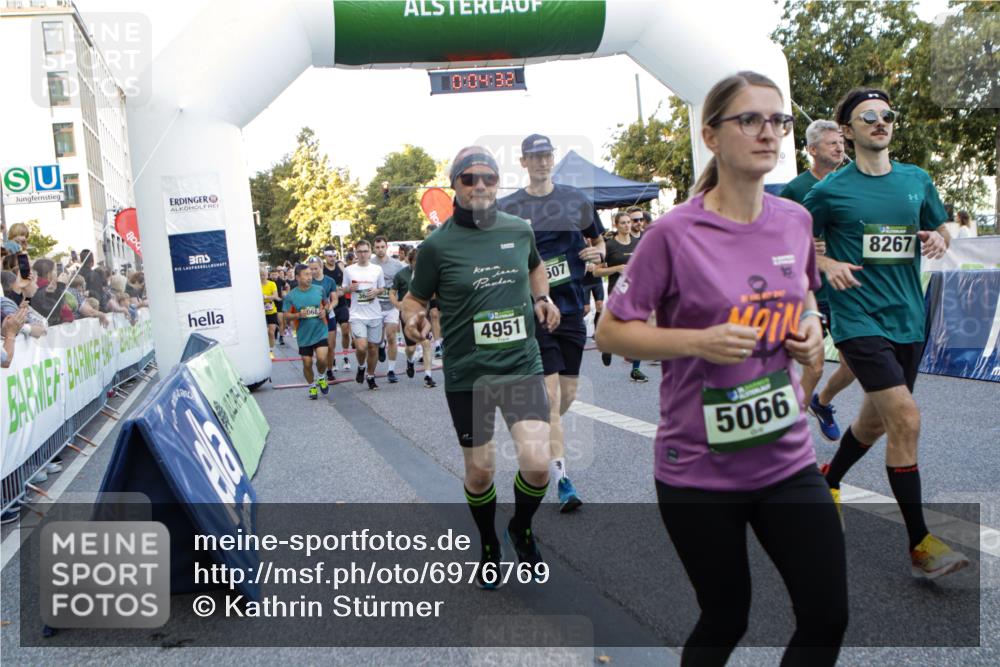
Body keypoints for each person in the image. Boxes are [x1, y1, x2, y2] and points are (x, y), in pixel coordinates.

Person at [598, 71, 848, 665]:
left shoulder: (794, 219)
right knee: (726, 618)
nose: (769, 133)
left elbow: (806, 299)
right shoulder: (673, 234)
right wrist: (699, 341)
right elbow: (611, 329)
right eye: (751, 120)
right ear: (711, 135)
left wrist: (813, 329)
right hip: (699, 472)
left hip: (786, 457)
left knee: (827, 616)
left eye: (778, 121)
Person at [804, 86, 969, 579]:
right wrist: (827, 261)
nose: (880, 122)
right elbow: (793, 244)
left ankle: (828, 476)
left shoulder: (916, 180)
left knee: (876, 424)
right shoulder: (831, 190)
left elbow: (946, 226)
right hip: (858, 318)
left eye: (887, 115)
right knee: (907, 419)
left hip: (908, 318)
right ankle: (920, 543)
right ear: (847, 132)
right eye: (867, 116)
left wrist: (941, 236)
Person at [401, 145, 560, 587]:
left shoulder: (519, 229)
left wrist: (542, 298)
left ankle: (521, 528)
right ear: (454, 185)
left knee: (537, 463)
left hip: (521, 364)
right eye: (469, 178)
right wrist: (411, 317)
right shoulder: (437, 245)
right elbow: (415, 298)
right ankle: (489, 542)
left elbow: (536, 268)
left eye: (488, 177)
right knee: (480, 471)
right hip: (469, 376)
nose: (480, 185)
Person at [498, 133, 605, 513]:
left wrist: (598, 251)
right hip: (536, 311)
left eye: (546, 156)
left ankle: (540, 427)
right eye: (534, 157)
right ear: (523, 162)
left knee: (566, 396)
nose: (541, 162)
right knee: (553, 396)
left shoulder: (575, 199)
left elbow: (599, 240)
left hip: (572, 306)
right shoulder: (509, 206)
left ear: (551, 159)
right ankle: (562, 478)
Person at [779, 119, 855, 441]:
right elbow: (776, 243)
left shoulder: (854, 184)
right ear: (811, 150)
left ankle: (821, 403)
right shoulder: (794, 190)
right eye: (831, 143)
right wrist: (805, 247)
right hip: (809, 290)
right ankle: (790, 430)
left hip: (848, 287)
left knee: (856, 364)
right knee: (815, 365)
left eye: (841, 142)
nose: (839, 147)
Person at [594, 211, 647, 381]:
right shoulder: (609, 245)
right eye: (623, 223)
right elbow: (596, 271)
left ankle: (636, 369)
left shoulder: (639, 243)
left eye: (628, 222)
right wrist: (616, 269)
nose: (627, 225)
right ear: (616, 225)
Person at [340, 240, 386, 390]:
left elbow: (382, 288)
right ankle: (361, 366)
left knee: (373, 348)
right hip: (357, 315)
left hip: (375, 314)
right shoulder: (349, 270)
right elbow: (343, 290)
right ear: (356, 252)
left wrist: (376, 292)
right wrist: (349, 288)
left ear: (370, 251)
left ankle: (371, 376)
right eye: (360, 251)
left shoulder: (377, 269)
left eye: (365, 251)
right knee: (361, 347)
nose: (363, 254)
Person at [282, 263, 332, 400]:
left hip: (320, 330)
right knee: (307, 363)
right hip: (304, 335)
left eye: (310, 274)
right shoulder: (291, 296)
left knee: (322, 359)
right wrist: (298, 315)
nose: (310, 277)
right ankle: (311, 386)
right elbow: (285, 315)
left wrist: (325, 311)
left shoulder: (319, 289)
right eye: (306, 275)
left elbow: (327, 303)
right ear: (297, 277)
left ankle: (321, 377)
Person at [390, 247, 436, 387]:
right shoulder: (401, 275)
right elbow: (392, 292)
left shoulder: (427, 274)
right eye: (417, 261)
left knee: (426, 344)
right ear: (410, 261)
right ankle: (410, 361)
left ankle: (428, 376)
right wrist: (397, 304)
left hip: (423, 314)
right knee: (411, 348)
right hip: (407, 315)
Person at [373, 236, 407, 383]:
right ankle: (381, 346)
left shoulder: (397, 265)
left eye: (382, 247)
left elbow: (403, 283)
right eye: (377, 247)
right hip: (374, 306)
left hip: (392, 305)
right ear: (374, 248)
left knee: (392, 336)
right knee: (377, 339)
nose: (380, 249)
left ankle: (391, 370)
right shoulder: (370, 264)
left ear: (386, 247)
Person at [322, 246, 352, 376]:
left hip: (342, 304)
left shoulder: (341, 268)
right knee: (331, 340)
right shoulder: (322, 271)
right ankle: (332, 359)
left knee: (346, 330)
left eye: (334, 256)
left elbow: (347, 286)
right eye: (329, 256)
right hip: (329, 306)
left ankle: (345, 355)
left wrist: (342, 290)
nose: (332, 258)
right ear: (325, 256)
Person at [581, 234, 605, 341]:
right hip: (584, 282)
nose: (588, 238)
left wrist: (595, 266)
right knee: (586, 309)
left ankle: (597, 332)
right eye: (586, 237)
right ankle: (574, 325)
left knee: (600, 306)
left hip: (596, 280)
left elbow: (604, 263)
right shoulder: (579, 245)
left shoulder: (598, 247)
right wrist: (585, 267)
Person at [261, 267, 279, 351]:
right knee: (263, 333)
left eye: (264, 275)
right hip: (261, 313)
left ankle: (271, 349)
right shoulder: (256, 285)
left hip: (272, 311)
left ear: (267, 275)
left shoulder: (272, 284)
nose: (263, 277)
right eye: (261, 275)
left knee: (271, 332)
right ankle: (265, 349)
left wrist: (266, 297)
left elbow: (275, 296)